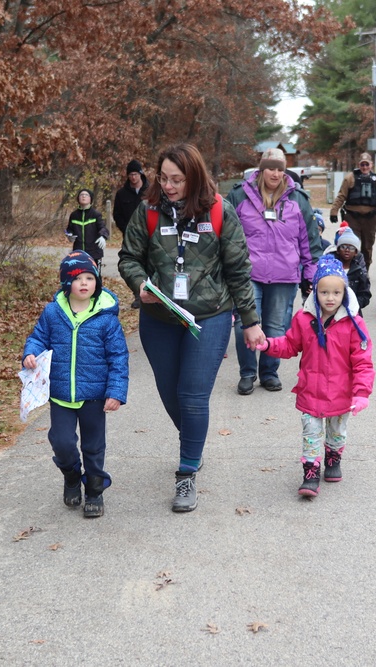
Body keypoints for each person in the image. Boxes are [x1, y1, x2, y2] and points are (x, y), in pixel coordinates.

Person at [118, 143, 265, 513]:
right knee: (171, 394)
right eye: (164, 178)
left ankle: (186, 475)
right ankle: (193, 442)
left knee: (193, 395)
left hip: (210, 316)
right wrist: (140, 284)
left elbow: (238, 271)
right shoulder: (148, 210)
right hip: (159, 318)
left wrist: (250, 323)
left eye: (177, 180)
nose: (168, 186)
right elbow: (128, 257)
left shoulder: (219, 211)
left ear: (194, 177)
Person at [21, 250, 129, 518]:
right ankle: (71, 476)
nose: (84, 283)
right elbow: (38, 337)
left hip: (94, 395)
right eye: (78, 278)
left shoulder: (106, 317)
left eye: (90, 278)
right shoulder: (53, 312)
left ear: (97, 282)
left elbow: (118, 357)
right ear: (66, 282)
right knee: (61, 441)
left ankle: (94, 491)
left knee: (93, 446)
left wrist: (115, 391)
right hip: (60, 394)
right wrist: (30, 353)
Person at [256, 255, 375, 497]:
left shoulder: (354, 324)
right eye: (324, 292)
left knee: (337, 432)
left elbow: (363, 362)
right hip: (311, 391)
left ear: (344, 293)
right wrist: (268, 345)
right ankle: (310, 471)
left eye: (336, 293)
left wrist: (361, 392)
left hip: (342, 393)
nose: (330, 298)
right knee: (311, 433)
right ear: (314, 292)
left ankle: (333, 458)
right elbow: (290, 345)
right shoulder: (304, 319)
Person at [227, 147, 322, 396]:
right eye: (271, 168)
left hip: (284, 276)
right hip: (248, 275)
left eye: (280, 169)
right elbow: (226, 237)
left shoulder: (298, 199)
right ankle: (247, 373)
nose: (276, 173)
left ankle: (269, 372)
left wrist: (311, 276)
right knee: (245, 324)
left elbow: (310, 242)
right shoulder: (239, 196)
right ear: (261, 170)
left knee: (276, 327)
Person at [329, 152, 376, 269]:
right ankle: (350, 270)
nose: (365, 167)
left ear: (371, 165)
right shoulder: (350, 178)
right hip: (352, 217)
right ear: (359, 165)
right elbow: (341, 196)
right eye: (362, 165)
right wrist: (334, 211)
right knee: (350, 245)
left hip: (370, 218)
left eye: (367, 164)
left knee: (367, 247)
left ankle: (365, 270)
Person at [113, 160, 149, 308]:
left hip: (149, 233)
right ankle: (138, 294)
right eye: (130, 175)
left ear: (140, 174)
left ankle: (152, 292)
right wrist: (127, 230)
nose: (133, 177)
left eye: (135, 174)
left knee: (149, 262)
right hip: (130, 234)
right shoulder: (122, 194)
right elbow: (117, 214)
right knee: (133, 262)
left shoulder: (150, 191)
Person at [325, 228, 371, 316]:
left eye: (351, 248)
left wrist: (354, 304)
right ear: (337, 250)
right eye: (343, 247)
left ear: (356, 252)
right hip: (330, 312)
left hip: (352, 313)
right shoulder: (329, 269)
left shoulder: (359, 272)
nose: (347, 250)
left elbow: (365, 295)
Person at [66, 189, 110, 269]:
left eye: (86, 195)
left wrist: (103, 236)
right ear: (78, 199)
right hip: (78, 252)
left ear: (90, 199)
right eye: (81, 195)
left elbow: (103, 228)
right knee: (79, 275)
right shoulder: (74, 215)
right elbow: (69, 229)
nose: (83, 196)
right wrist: (69, 235)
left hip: (94, 252)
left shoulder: (96, 214)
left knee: (95, 276)